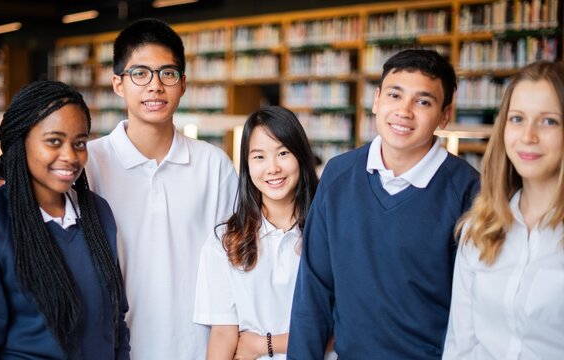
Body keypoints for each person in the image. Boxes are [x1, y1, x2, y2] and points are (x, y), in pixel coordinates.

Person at [287, 49, 481, 359]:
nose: (404, 111)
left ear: (445, 115)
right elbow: (313, 291)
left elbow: (475, 313)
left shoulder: (469, 191)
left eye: (423, 101)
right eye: (395, 95)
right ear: (377, 99)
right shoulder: (338, 175)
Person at [85, 18, 238, 359]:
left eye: (167, 73)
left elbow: (235, 270)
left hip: (197, 350)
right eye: (140, 73)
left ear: (183, 84)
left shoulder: (214, 167)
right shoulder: (89, 164)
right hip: (113, 348)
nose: (155, 86)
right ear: (117, 84)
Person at [0, 80, 130, 358]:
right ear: (21, 141)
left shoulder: (98, 214)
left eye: (80, 143)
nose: (70, 156)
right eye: (54, 141)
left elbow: (116, 324)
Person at [443, 61, 564, 359]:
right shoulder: (479, 228)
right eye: (517, 119)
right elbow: (460, 346)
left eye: (548, 121)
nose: (528, 136)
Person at [193, 106, 319, 359]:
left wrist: (265, 344)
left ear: (301, 156)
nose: (272, 168)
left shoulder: (329, 232)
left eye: (283, 153)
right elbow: (222, 333)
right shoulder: (225, 240)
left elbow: (344, 328)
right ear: (247, 165)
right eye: (259, 157)